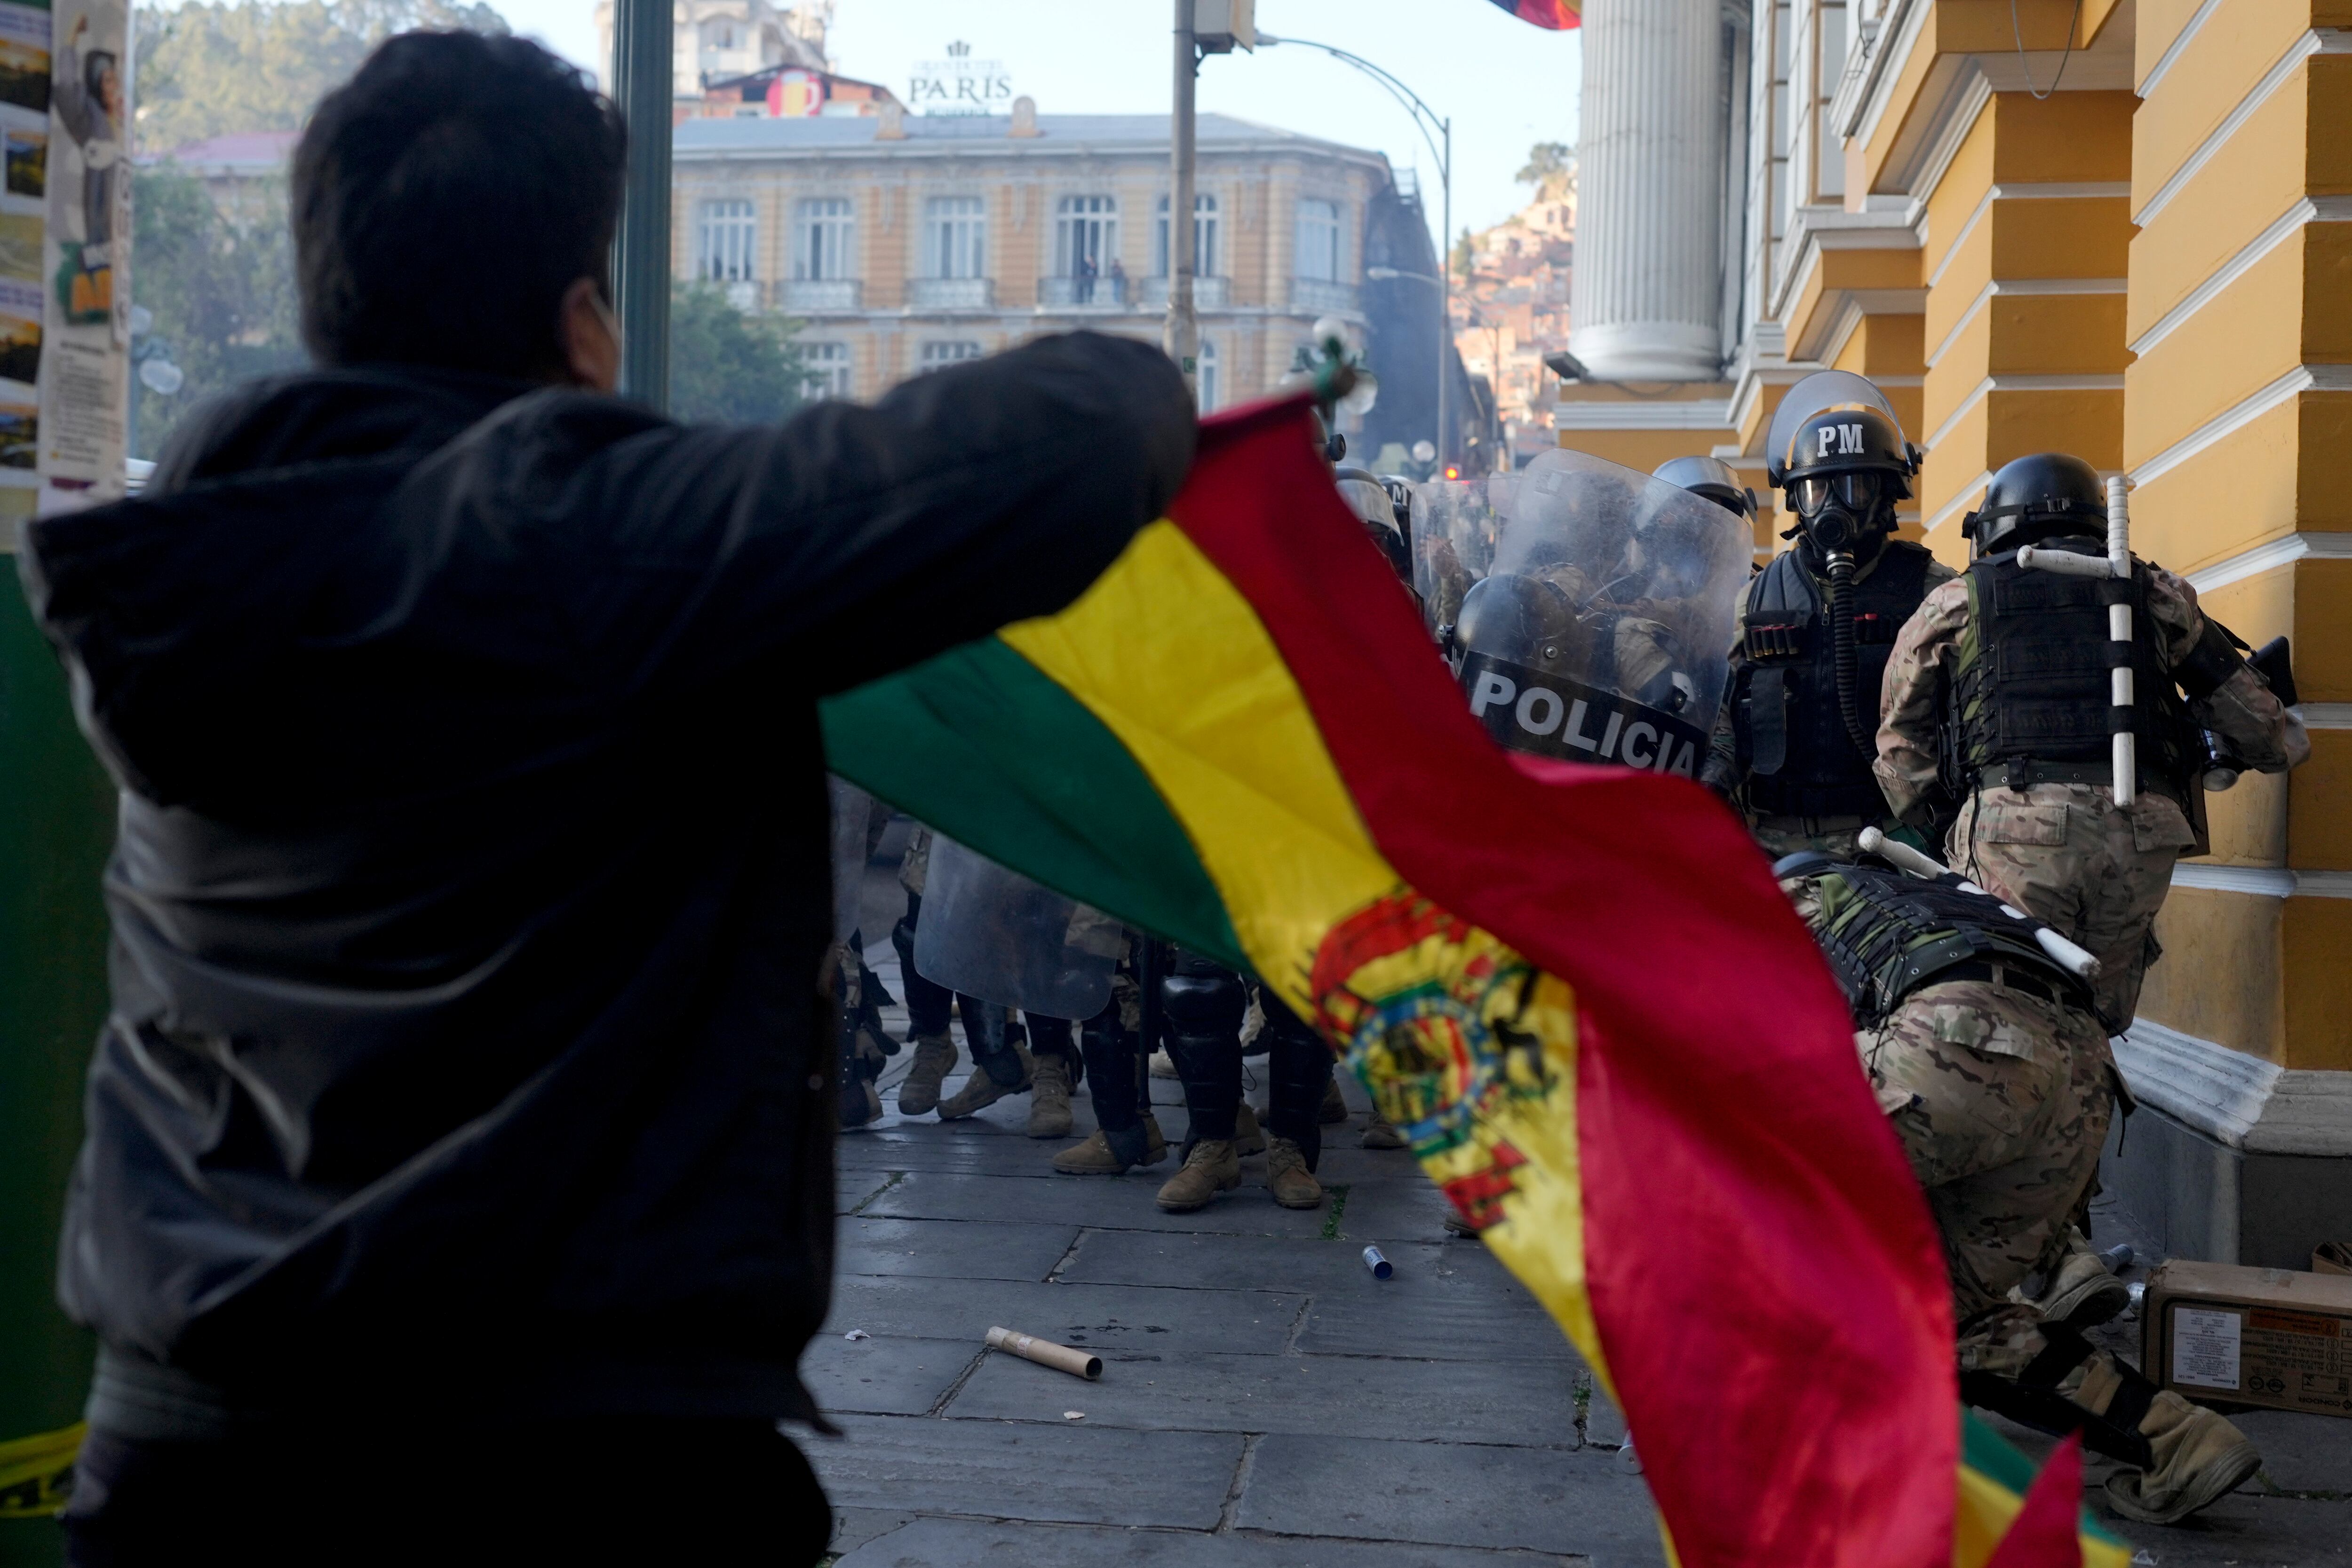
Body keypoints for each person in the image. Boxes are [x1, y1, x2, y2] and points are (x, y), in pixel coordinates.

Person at [19, 32, 1194, 1567]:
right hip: (573, 1465)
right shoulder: (610, 549)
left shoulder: (191, 565)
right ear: (582, 321)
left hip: (192, 1448)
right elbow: (1103, 424)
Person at [1779, 852, 2264, 1525]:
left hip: (1953, 1041)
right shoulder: (1911, 891)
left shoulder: (1770, 904)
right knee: (1949, 1310)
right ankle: (2174, 1437)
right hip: (2085, 1076)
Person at [1875, 452, 2308, 1029]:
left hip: (2015, 826)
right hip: (2141, 827)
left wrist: (1940, 824)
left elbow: (1900, 744)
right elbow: (2260, 730)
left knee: (2012, 1006)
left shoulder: (1957, 600)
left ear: (1995, 527)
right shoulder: (2152, 590)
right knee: (2092, 1016)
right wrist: (2275, 741)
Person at [1701, 384, 1953, 857]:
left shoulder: (1934, 592)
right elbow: (1717, 711)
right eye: (1818, 490)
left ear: (1887, 494)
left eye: (1855, 489)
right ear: (1796, 499)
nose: (1833, 507)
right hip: (1771, 842)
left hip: (1894, 843)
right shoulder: (1753, 598)